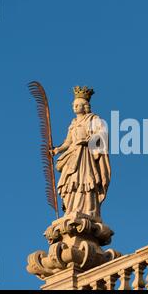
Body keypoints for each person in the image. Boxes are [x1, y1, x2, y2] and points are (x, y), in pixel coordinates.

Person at [51, 86, 110, 221]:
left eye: (78, 105)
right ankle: (71, 209)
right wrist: (57, 150)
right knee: (71, 182)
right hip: (73, 155)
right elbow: (68, 142)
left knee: (86, 181)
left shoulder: (93, 119)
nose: (75, 107)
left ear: (85, 106)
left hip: (86, 155)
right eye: (74, 105)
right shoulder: (73, 123)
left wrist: (88, 140)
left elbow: (102, 134)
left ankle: (88, 210)